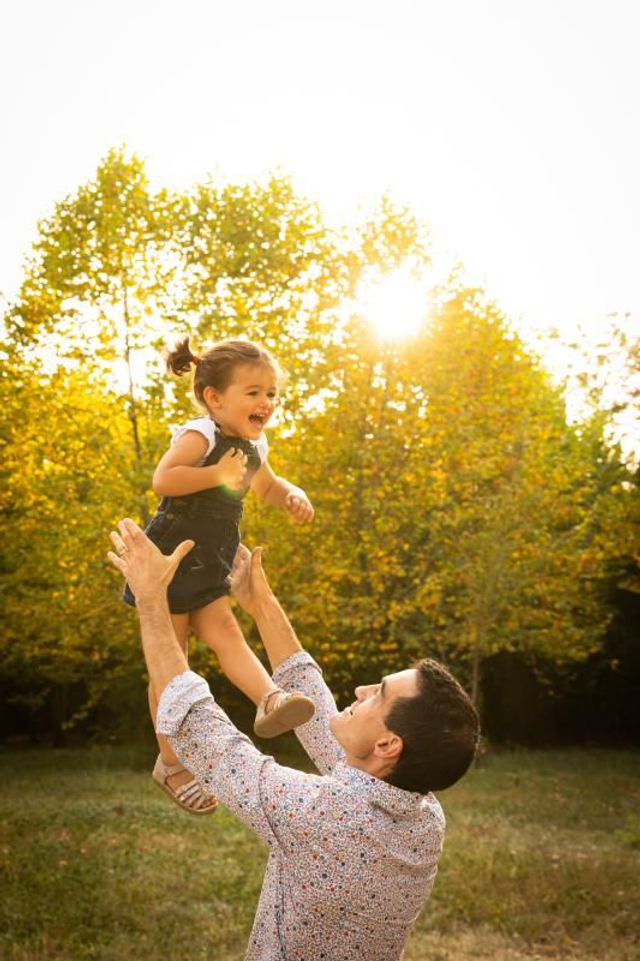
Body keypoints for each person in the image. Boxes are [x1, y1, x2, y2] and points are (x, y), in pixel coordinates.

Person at [108, 518, 480, 961]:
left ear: (387, 746)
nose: (360, 690)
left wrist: (151, 599)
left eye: (378, 694)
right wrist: (260, 602)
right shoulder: (423, 818)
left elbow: (204, 735)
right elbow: (314, 705)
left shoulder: (328, 818)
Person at [122, 337, 316, 815]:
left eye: (271, 393)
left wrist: (292, 495)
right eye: (253, 393)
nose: (266, 402)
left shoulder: (255, 445)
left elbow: (266, 487)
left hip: (211, 560)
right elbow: (164, 480)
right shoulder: (201, 436)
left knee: (228, 632)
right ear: (214, 397)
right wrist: (215, 476)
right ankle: (171, 763)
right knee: (171, 663)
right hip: (170, 560)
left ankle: (270, 698)